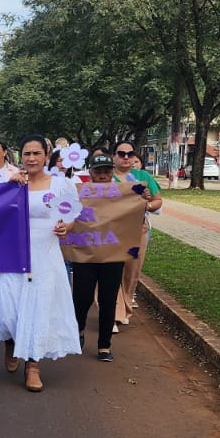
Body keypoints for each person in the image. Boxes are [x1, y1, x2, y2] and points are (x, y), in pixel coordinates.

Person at [0, 136, 81, 391]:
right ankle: (12, 340)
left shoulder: (61, 184)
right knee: (5, 303)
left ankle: (33, 366)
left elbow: (72, 216)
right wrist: (9, 189)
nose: (31, 158)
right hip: (11, 254)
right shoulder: (9, 181)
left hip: (44, 255)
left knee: (38, 308)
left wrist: (65, 228)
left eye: (36, 153)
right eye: (26, 154)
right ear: (20, 156)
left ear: (46, 156)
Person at [70, 152, 142, 363]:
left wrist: (141, 199)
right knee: (81, 298)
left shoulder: (123, 193)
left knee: (108, 300)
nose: (102, 175)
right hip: (85, 253)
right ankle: (79, 330)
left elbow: (140, 210)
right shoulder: (78, 192)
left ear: (112, 172)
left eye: (106, 171)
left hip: (113, 254)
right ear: (90, 172)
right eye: (98, 171)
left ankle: (104, 344)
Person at [110, 141, 163, 331]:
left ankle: (124, 308)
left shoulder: (143, 176)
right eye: (121, 153)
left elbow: (157, 201)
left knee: (132, 271)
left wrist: (146, 206)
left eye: (129, 154)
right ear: (113, 156)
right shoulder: (106, 176)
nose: (125, 157)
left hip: (139, 229)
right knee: (112, 269)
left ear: (134, 157)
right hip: (112, 231)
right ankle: (112, 314)